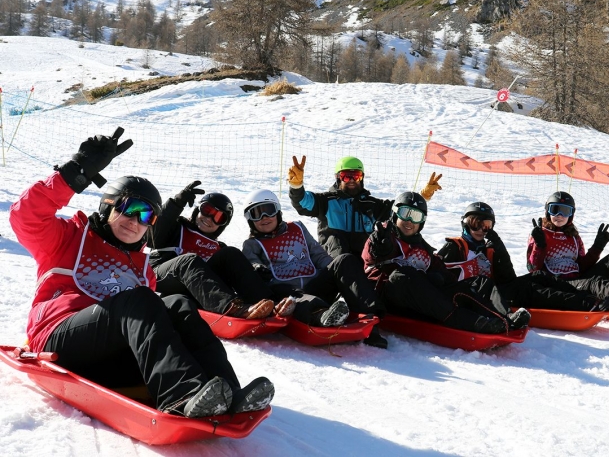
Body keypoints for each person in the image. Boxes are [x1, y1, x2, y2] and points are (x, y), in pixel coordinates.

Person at [9, 128, 274, 418]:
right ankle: (180, 394)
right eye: (129, 208)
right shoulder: (69, 237)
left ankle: (227, 392)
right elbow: (25, 215)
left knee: (178, 305)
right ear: (108, 205)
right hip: (59, 339)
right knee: (140, 300)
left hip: (110, 358)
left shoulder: (142, 267)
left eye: (147, 215)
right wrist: (77, 171)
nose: (135, 221)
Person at [362, 192, 531, 334]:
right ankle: (468, 321)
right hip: (390, 300)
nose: (409, 221)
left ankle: (506, 318)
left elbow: (446, 275)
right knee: (404, 275)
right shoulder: (382, 237)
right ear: (394, 214)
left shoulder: (424, 249)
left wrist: (441, 278)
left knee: (480, 282)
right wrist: (380, 248)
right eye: (405, 213)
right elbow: (371, 257)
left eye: (416, 216)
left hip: (422, 301)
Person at [241, 189, 389, 347]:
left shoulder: (297, 228)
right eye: (256, 214)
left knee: (345, 260)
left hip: (315, 285)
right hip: (287, 294)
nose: (264, 218)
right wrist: (258, 268)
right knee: (293, 298)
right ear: (250, 220)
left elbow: (318, 255)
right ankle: (323, 316)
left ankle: (371, 322)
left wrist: (336, 274)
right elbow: (250, 263)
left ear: (277, 211)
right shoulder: (252, 244)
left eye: (268, 211)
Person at [436, 202, 609, 312]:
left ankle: (587, 297)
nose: (480, 230)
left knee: (539, 276)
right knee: (531, 291)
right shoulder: (455, 246)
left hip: (497, 291)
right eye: (475, 224)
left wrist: (499, 247)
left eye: (486, 225)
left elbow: (508, 278)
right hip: (477, 296)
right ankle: (586, 304)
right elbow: (437, 272)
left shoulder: (489, 249)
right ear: (465, 224)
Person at [150, 181, 275, 318]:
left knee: (231, 253)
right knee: (189, 260)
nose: (209, 219)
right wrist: (176, 203)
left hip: (196, 287)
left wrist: (254, 270)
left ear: (222, 225)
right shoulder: (177, 226)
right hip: (162, 274)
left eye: (218, 217)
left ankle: (267, 305)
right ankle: (230, 308)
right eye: (207, 211)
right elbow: (152, 236)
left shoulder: (218, 248)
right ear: (198, 210)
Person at [288, 155, 442, 258]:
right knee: (337, 240)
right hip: (334, 257)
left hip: (363, 256)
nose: (351, 180)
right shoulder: (327, 201)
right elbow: (302, 202)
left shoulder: (371, 204)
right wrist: (296, 186)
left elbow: (400, 208)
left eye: (356, 175)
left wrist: (423, 196)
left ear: (361, 177)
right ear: (338, 178)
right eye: (346, 176)